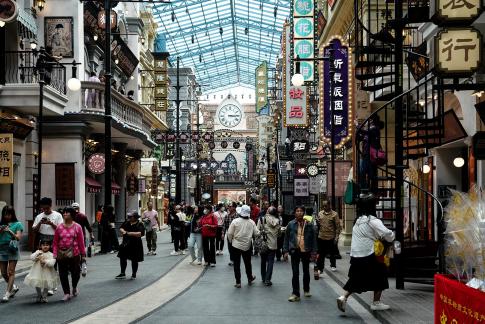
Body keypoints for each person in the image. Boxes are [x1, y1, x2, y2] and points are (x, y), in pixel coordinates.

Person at [337, 194, 395, 312]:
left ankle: (343, 297)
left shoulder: (357, 220)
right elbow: (387, 233)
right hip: (370, 254)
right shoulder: (373, 220)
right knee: (381, 275)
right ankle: (376, 302)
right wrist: (392, 237)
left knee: (356, 278)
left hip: (356, 255)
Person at [283, 206, 318, 302]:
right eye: (297, 211)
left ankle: (306, 289)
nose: (299, 212)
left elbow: (314, 239)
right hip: (295, 250)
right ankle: (295, 294)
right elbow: (286, 238)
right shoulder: (291, 224)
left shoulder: (309, 224)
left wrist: (314, 252)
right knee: (295, 272)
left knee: (306, 271)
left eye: (301, 211)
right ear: (295, 213)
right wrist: (285, 251)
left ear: (304, 213)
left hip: (306, 250)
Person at [53, 207, 86, 302]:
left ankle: (74, 286)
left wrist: (83, 255)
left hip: (75, 254)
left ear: (72, 215)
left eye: (67, 213)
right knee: (63, 274)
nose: (64, 214)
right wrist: (55, 254)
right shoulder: (59, 227)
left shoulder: (77, 227)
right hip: (61, 254)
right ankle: (66, 293)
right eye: (64, 212)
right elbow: (55, 242)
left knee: (76, 273)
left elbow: (81, 242)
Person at [227, 205, 259, 288]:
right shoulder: (252, 222)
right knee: (248, 263)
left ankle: (238, 282)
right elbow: (256, 233)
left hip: (236, 245)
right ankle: (250, 278)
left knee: (237, 264)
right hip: (247, 246)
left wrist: (231, 241)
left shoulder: (235, 221)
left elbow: (230, 233)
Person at [0, 206, 23, 302]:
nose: (7, 216)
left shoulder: (18, 224)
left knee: (11, 271)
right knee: (4, 273)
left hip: (12, 249)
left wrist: (9, 231)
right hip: (1, 249)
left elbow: (18, 237)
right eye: (5, 214)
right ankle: (13, 286)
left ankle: (7, 293)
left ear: (12, 214)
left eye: (9, 214)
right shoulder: (1, 224)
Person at [116, 211, 145, 280]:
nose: (128, 217)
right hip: (125, 243)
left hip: (136, 244)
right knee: (122, 257)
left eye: (130, 216)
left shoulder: (140, 224)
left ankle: (134, 274)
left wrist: (129, 233)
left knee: (134, 259)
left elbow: (140, 233)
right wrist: (123, 231)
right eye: (128, 216)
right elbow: (121, 228)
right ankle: (122, 273)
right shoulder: (127, 222)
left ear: (135, 217)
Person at [316, 199, 341, 276]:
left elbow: (338, 227)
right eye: (323, 205)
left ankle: (333, 265)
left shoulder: (334, 214)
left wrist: (336, 237)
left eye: (325, 205)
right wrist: (317, 222)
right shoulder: (320, 213)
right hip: (321, 236)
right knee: (321, 254)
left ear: (329, 205)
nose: (324, 207)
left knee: (332, 253)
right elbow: (318, 225)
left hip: (331, 237)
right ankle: (320, 268)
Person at [359, 115, 383, 194]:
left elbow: (365, 133)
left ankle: (367, 190)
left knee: (365, 172)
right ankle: (369, 191)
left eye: (368, 120)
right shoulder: (371, 129)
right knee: (368, 173)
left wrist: (357, 125)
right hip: (367, 154)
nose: (367, 121)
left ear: (372, 120)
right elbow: (364, 136)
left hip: (370, 154)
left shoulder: (375, 129)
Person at [257, 206, 280, 286]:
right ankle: (268, 279)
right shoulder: (277, 220)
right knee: (270, 262)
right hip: (273, 244)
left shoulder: (262, 219)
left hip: (264, 243)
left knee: (263, 261)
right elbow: (279, 233)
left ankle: (263, 278)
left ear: (267, 211)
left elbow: (257, 231)